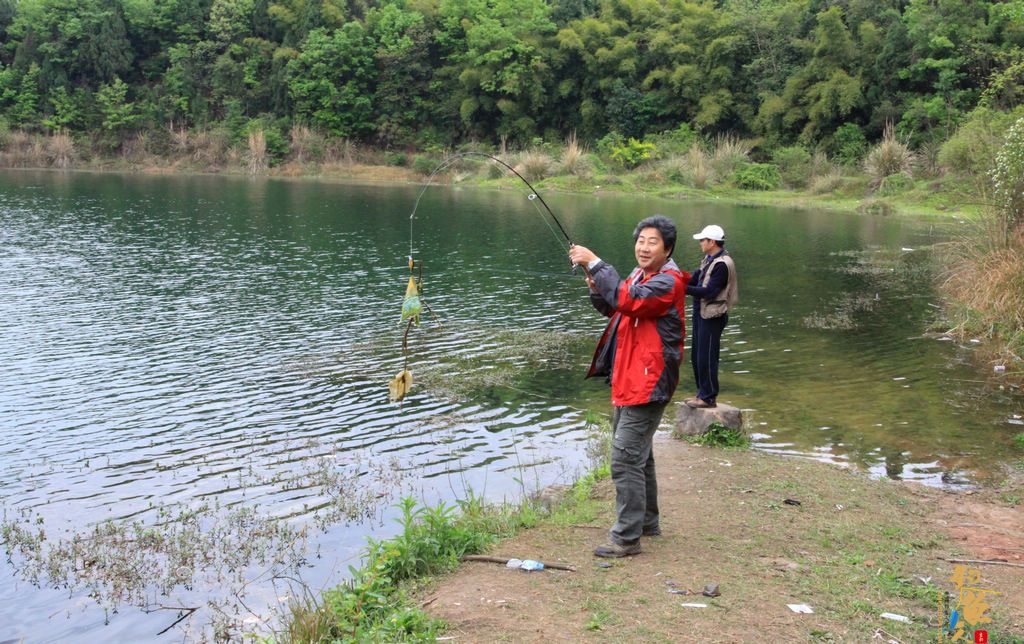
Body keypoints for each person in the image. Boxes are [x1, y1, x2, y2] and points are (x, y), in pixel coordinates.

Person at [568, 215, 690, 558]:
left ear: (668, 249)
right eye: (641, 240)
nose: (644, 247)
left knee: (624, 459)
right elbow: (617, 308)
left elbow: (630, 300)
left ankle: (626, 538)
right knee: (640, 456)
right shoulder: (640, 275)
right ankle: (647, 523)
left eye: (653, 242)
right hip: (629, 376)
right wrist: (597, 286)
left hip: (650, 381)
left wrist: (595, 262)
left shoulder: (669, 281)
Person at [684, 224, 738, 409]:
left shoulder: (722, 264)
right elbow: (694, 281)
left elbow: (709, 292)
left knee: (706, 357)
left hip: (713, 316)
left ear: (712, 242)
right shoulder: (708, 260)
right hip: (702, 314)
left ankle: (708, 398)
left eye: (702, 240)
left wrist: (682, 289)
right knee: (696, 355)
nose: (700, 243)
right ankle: (702, 393)